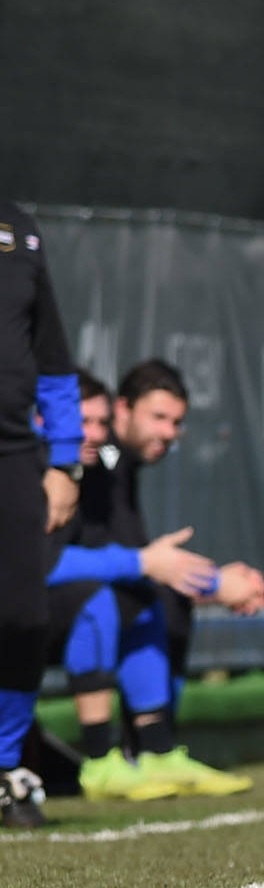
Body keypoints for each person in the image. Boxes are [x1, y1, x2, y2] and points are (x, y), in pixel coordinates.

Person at [45, 369, 264, 800]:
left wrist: (206, 580)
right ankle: (100, 758)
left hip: (53, 597)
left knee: (156, 595)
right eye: (159, 417)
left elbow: (133, 557)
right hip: (36, 607)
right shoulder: (75, 461)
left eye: (177, 422)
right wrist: (214, 582)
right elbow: (44, 561)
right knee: (102, 598)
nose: (170, 432)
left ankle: (156, 750)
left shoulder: (109, 461)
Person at [1, 199, 82, 829]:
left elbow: (53, 360)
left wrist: (63, 461)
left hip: (14, 453)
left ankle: (8, 771)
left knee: (25, 617)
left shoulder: (19, 228)